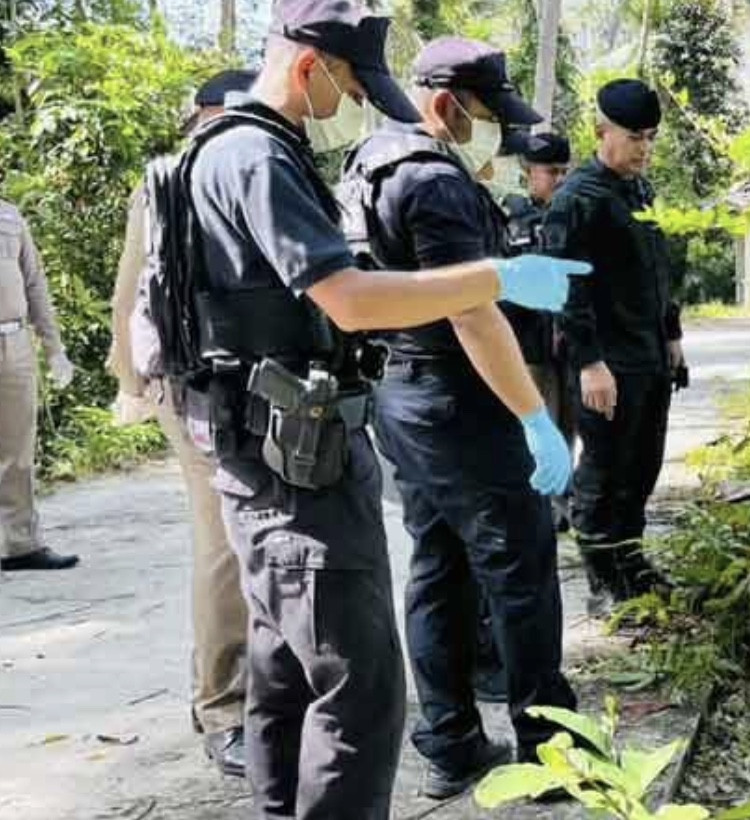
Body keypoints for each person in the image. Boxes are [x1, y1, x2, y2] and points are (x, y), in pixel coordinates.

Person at [155, 2, 586, 816]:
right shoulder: (257, 156)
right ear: (312, 67)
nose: (356, 108)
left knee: (287, 671)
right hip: (297, 461)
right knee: (358, 687)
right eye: (354, 89)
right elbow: (350, 300)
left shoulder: (248, 149)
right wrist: (498, 279)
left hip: (281, 444)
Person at [338, 37, 577, 799]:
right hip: (457, 396)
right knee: (520, 570)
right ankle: (549, 753)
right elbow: (471, 314)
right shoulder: (434, 181)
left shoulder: (371, 161)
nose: (497, 134)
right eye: (487, 114)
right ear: (444, 104)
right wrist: (535, 418)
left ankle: (450, 742)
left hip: (403, 394)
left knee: (438, 566)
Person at [108, 67, 255, 780]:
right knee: (224, 538)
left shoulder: (224, 168)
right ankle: (224, 707)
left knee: (244, 533)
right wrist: (132, 380)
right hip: (194, 382)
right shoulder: (178, 178)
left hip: (220, 377)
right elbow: (133, 286)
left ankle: (237, 691)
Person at [543, 79, 685, 603]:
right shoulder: (578, 199)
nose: (644, 148)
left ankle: (630, 563)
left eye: (650, 138)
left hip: (648, 354)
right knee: (604, 471)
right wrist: (589, 363)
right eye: (634, 137)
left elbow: (658, 271)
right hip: (607, 362)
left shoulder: (640, 191)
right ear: (601, 132)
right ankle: (603, 579)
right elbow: (565, 288)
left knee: (641, 465)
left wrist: (672, 334)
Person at [503, 131, 576, 531]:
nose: (559, 179)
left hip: (570, 343)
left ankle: (560, 504)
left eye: (565, 171)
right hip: (528, 344)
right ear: (529, 171)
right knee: (537, 423)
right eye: (552, 171)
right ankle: (537, 507)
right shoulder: (510, 216)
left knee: (568, 425)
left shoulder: (575, 213)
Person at [0, 198, 77, 572]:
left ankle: (20, 545)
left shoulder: (10, 216)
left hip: (13, 343)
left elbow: (34, 284)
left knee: (18, 451)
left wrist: (54, 349)